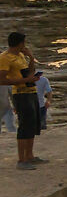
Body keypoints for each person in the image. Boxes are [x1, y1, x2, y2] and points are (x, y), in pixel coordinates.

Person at [0, 33, 40, 165]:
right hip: (20, 93)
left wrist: (31, 57)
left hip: (30, 91)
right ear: (20, 43)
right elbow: (2, 79)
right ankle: (21, 159)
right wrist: (24, 80)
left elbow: (30, 73)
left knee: (32, 124)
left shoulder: (21, 55)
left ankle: (30, 156)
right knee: (24, 125)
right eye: (24, 42)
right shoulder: (5, 58)